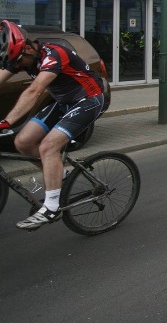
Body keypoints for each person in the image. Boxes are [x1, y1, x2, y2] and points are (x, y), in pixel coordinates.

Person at [0, 20, 107, 230]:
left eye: (19, 61)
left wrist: (6, 121)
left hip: (89, 99)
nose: (18, 66)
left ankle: (51, 207)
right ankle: (60, 174)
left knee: (48, 146)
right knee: (23, 141)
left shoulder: (55, 54)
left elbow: (34, 91)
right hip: (63, 101)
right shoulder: (20, 57)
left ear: (29, 48)